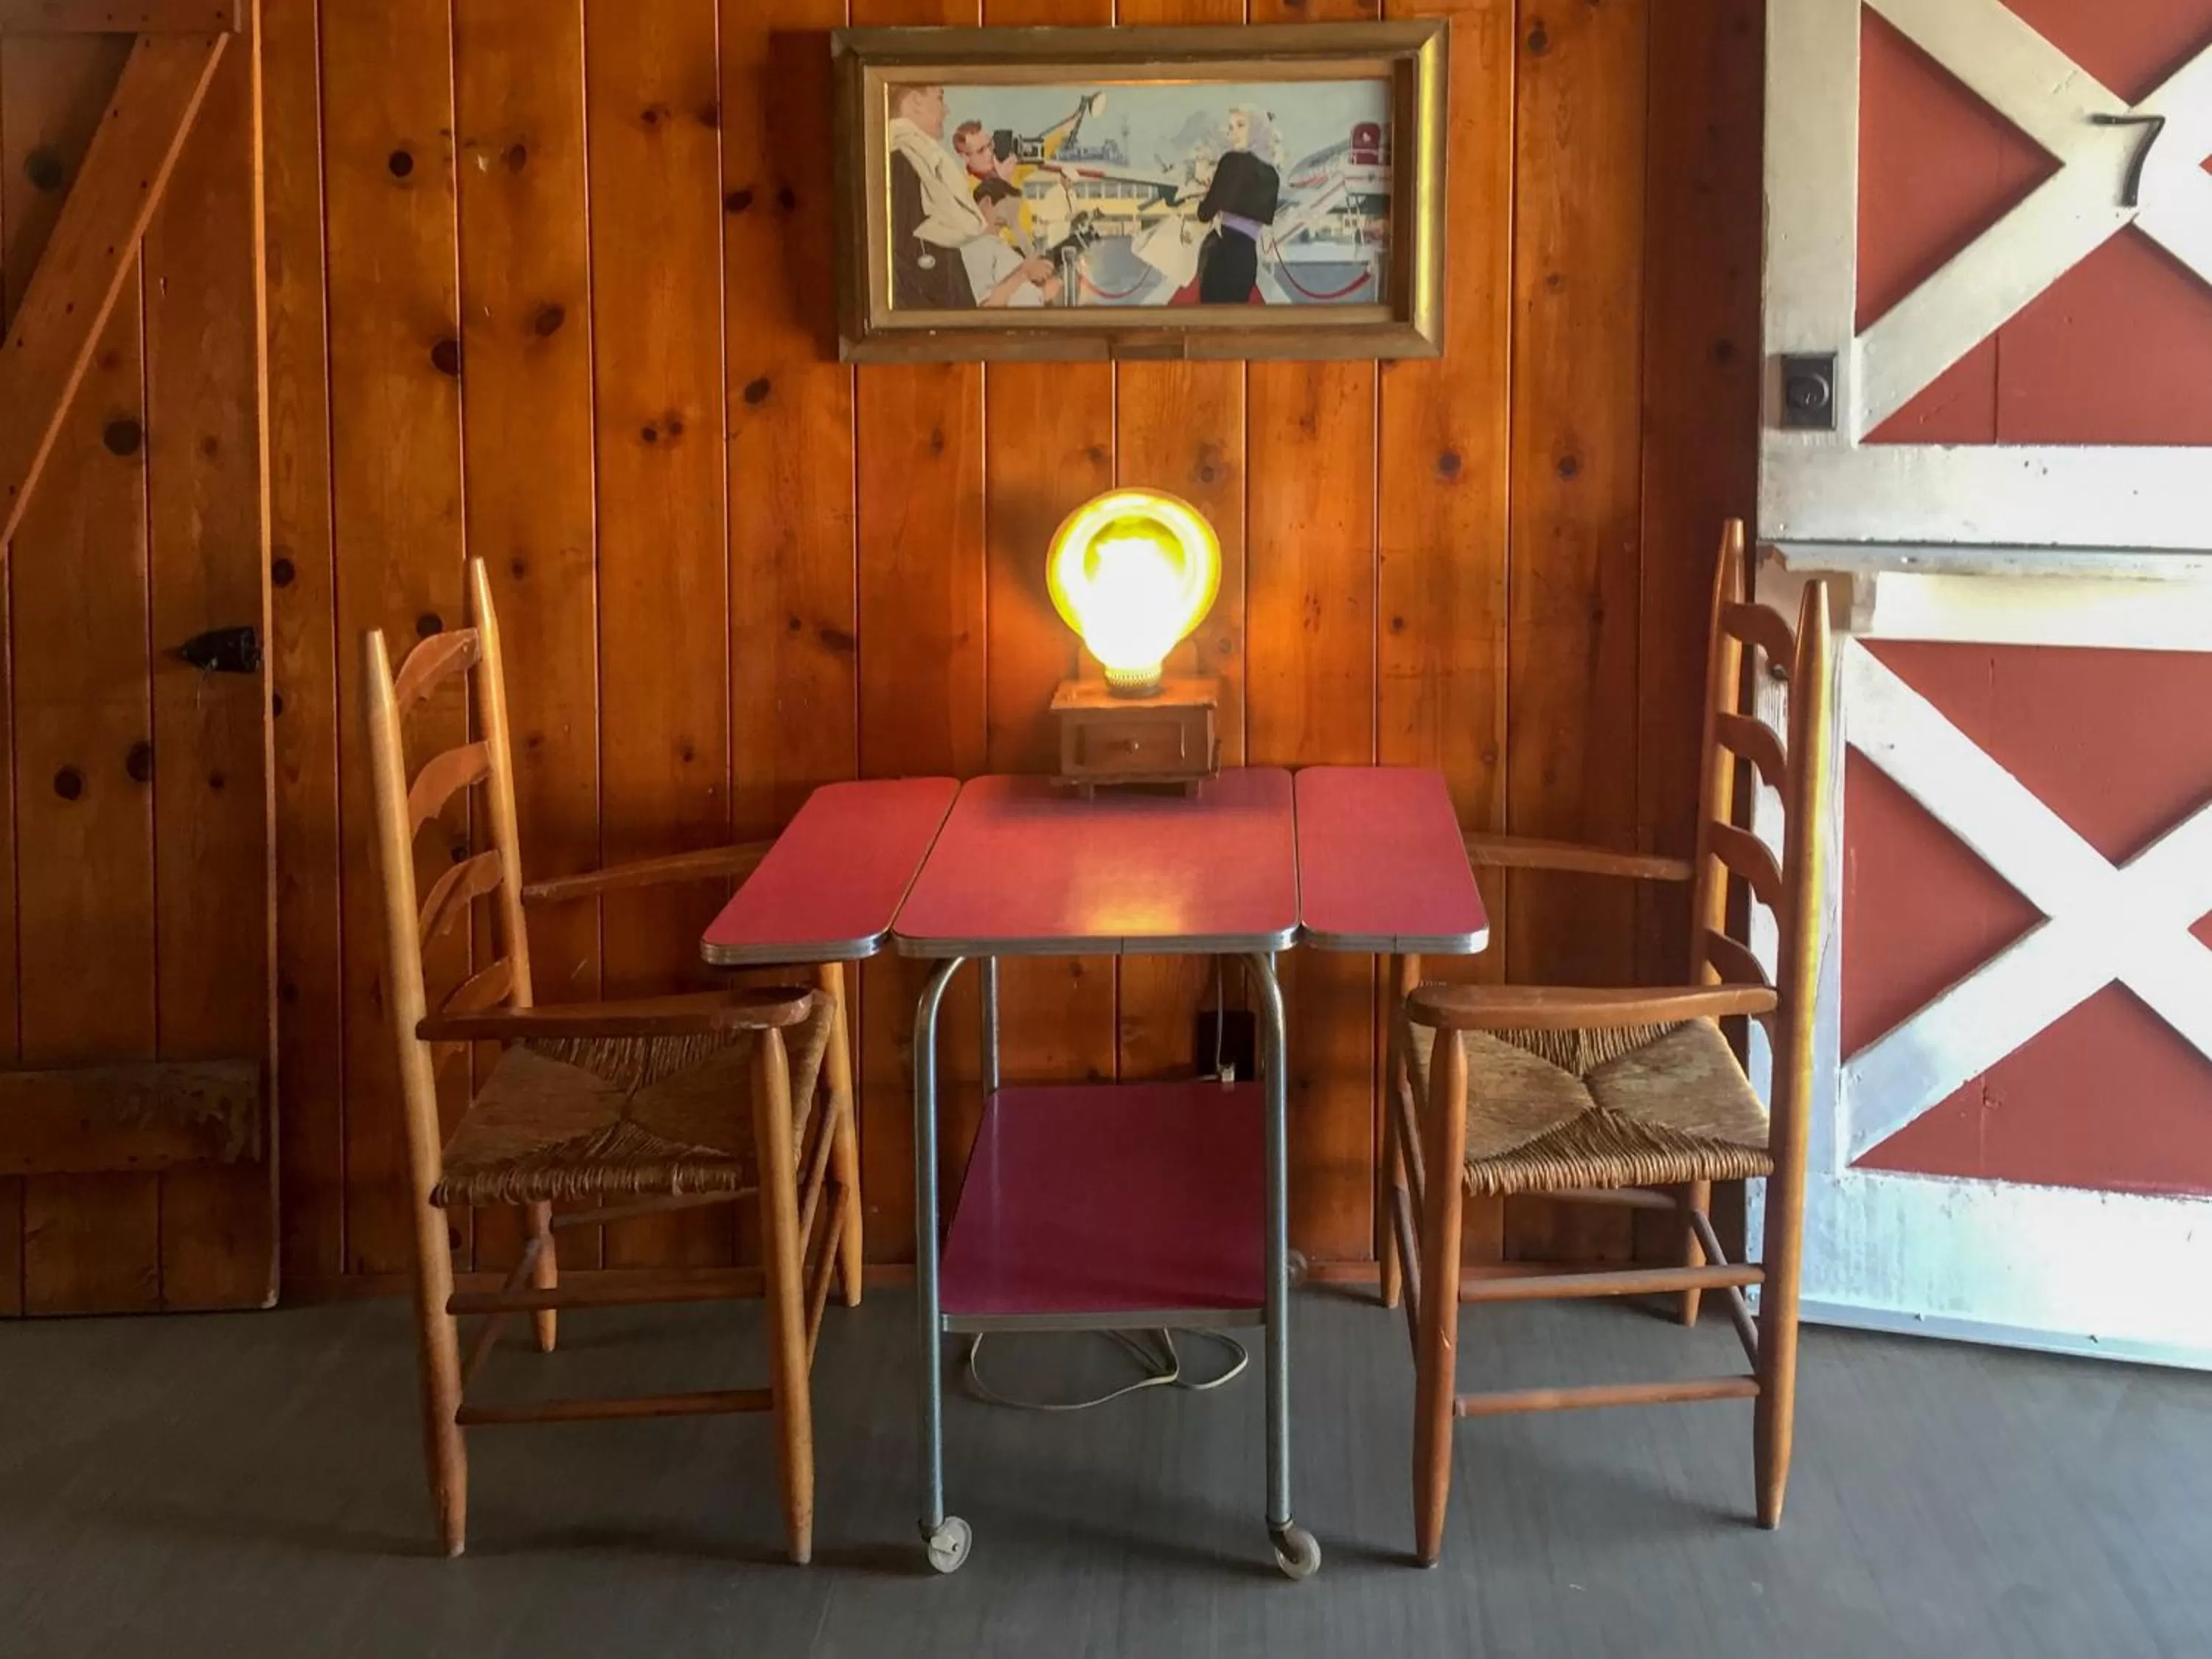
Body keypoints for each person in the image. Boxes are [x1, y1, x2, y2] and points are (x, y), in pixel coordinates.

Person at [886, 84, 1050, 309]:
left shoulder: (918, 165)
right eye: (940, 98)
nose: (947, 110)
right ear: (916, 100)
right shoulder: (904, 166)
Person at [1192, 105, 1279, 305]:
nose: (1233, 133)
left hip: (1223, 254)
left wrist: (1209, 194)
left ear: (1256, 127)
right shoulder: (1272, 176)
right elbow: (1255, 211)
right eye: (1231, 127)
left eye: (1241, 125)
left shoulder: (1231, 161)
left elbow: (1204, 214)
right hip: (1248, 257)